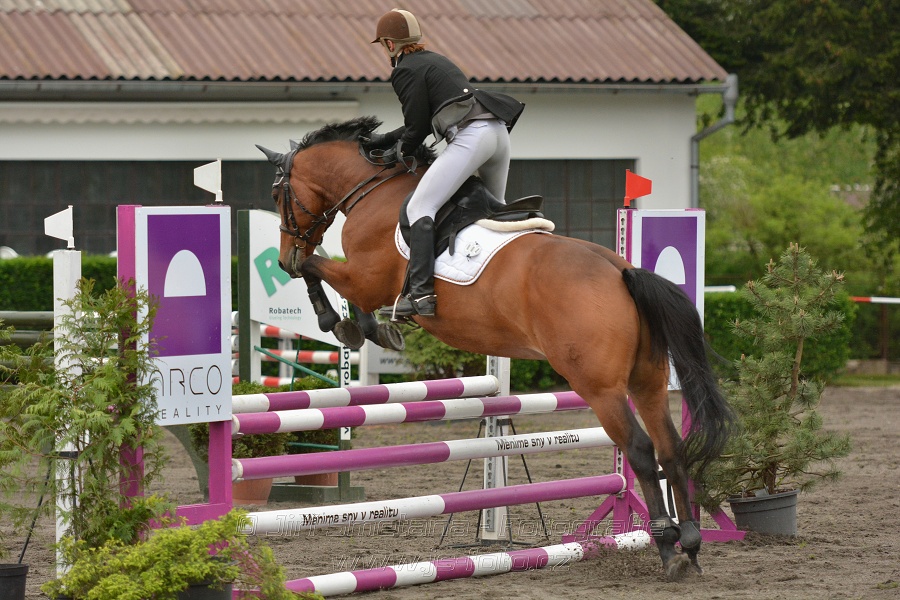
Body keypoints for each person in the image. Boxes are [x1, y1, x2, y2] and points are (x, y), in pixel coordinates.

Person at [366, 8, 526, 319]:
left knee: (419, 208)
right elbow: (421, 124)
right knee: (498, 209)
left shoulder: (405, 70)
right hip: (496, 132)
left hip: (470, 136)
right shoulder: (435, 59)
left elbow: (416, 128)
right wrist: (384, 139)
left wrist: (396, 153)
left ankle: (422, 294)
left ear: (388, 44)